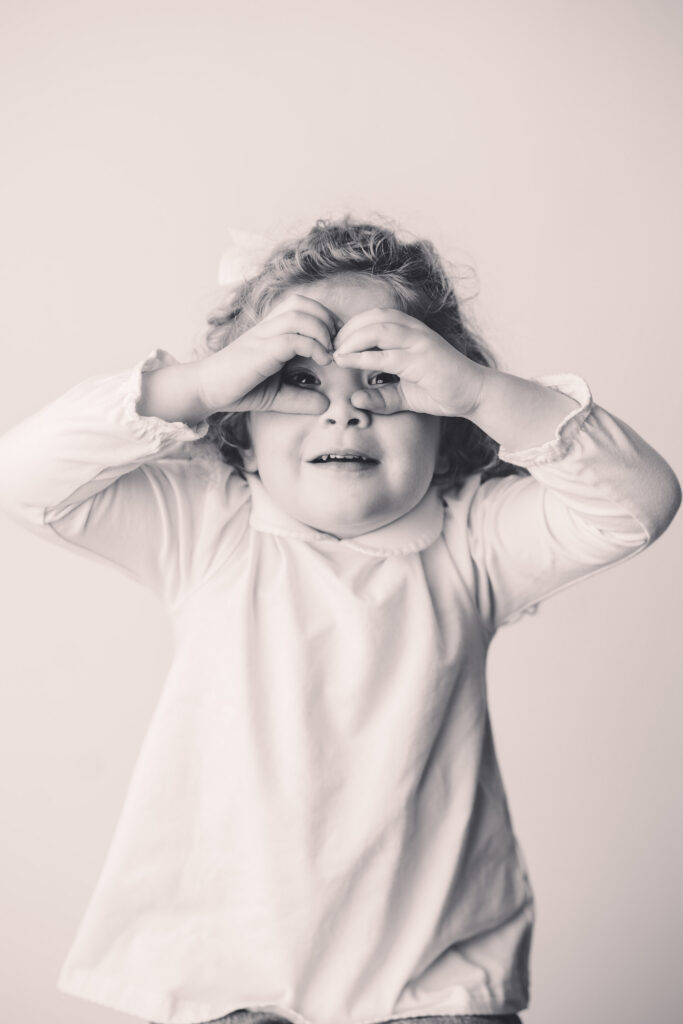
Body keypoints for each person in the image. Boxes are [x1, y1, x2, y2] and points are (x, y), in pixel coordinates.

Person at [0, 217, 679, 1024]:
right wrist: (197, 384)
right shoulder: (207, 528)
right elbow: (25, 477)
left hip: (431, 982)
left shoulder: (473, 542)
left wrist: (480, 390)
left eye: (385, 378)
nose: (345, 410)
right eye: (296, 380)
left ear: (444, 423)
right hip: (225, 983)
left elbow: (638, 506)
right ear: (240, 427)